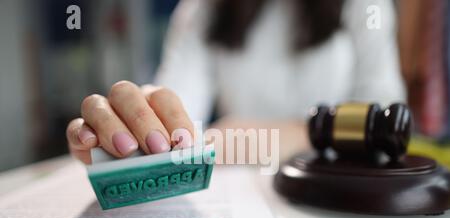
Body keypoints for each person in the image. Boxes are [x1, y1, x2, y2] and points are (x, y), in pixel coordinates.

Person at [67, 0, 405, 164]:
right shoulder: (203, 10)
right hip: (238, 201)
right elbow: (176, 104)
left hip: (335, 192)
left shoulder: (366, 6)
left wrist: (242, 135)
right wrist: (134, 121)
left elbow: (385, 120)